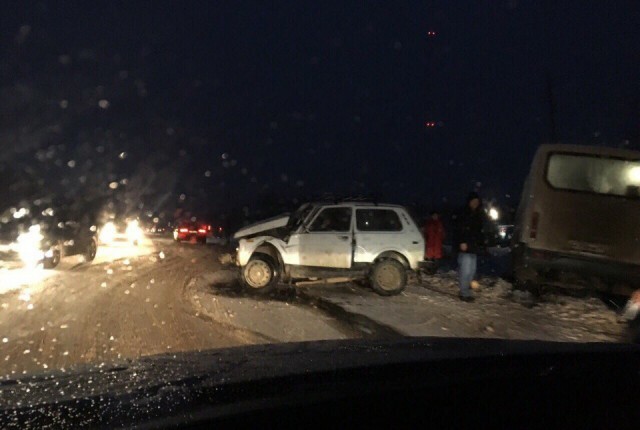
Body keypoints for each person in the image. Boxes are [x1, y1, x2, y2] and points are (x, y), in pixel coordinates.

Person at [454, 191, 486, 302]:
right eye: (473, 201)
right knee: (465, 270)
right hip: (465, 247)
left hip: (473, 247)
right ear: (469, 202)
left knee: (472, 271)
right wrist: (462, 241)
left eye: (477, 201)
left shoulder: (478, 214)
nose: (475, 203)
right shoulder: (464, 213)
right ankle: (464, 293)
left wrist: (482, 244)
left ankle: (467, 291)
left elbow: (479, 231)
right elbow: (460, 229)